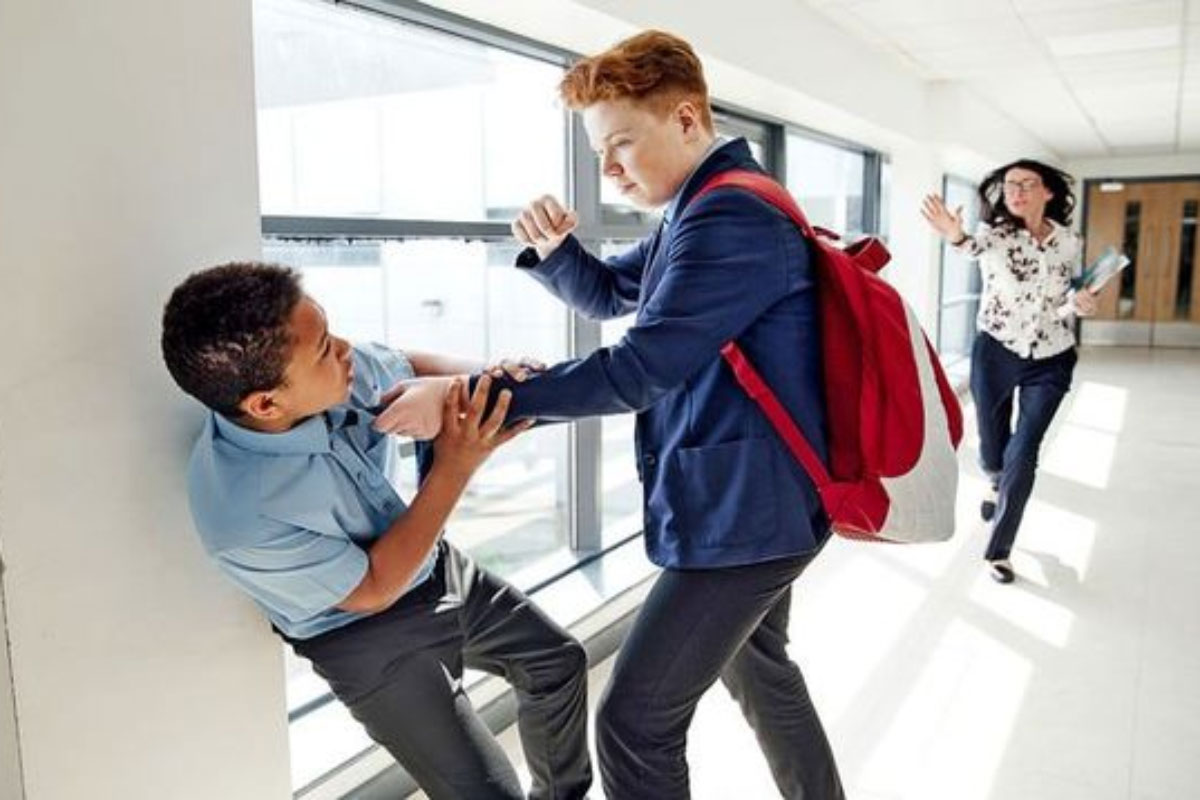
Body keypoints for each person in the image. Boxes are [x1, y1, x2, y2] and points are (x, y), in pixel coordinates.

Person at [376, 30, 844, 800]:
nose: (609, 170)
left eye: (620, 143)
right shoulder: (701, 206)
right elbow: (609, 294)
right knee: (763, 674)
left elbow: (637, 371)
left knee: (633, 724)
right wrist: (554, 250)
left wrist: (468, 397)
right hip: (758, 499)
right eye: (599, 152)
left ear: (686, 119)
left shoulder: (730, 216)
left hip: (748, 516)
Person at [159, 262, 592, 800]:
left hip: (435, 568)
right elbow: (372, 588)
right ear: (266, 404)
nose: (345, 349)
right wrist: (455, 464)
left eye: (330, 332)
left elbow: (406, 366)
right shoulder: (242, 517)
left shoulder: (333, 373)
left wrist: (489, 381)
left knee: (558, 662)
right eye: (324, 349)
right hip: (362, 634)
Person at [921, 159, 1097, 584]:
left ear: (1048, 191)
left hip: (1052, 355)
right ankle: (995, 479)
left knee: (1025, 451)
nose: (1015, 191)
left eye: (1026, 184)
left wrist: (1079, 304)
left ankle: (998, 550)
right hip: (996, 352)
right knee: (992, 449)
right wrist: (955, 235)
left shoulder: (1069, 242)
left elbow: (1063, 300)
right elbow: (970, 246)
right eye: (1009, 185)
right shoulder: (995, 235)